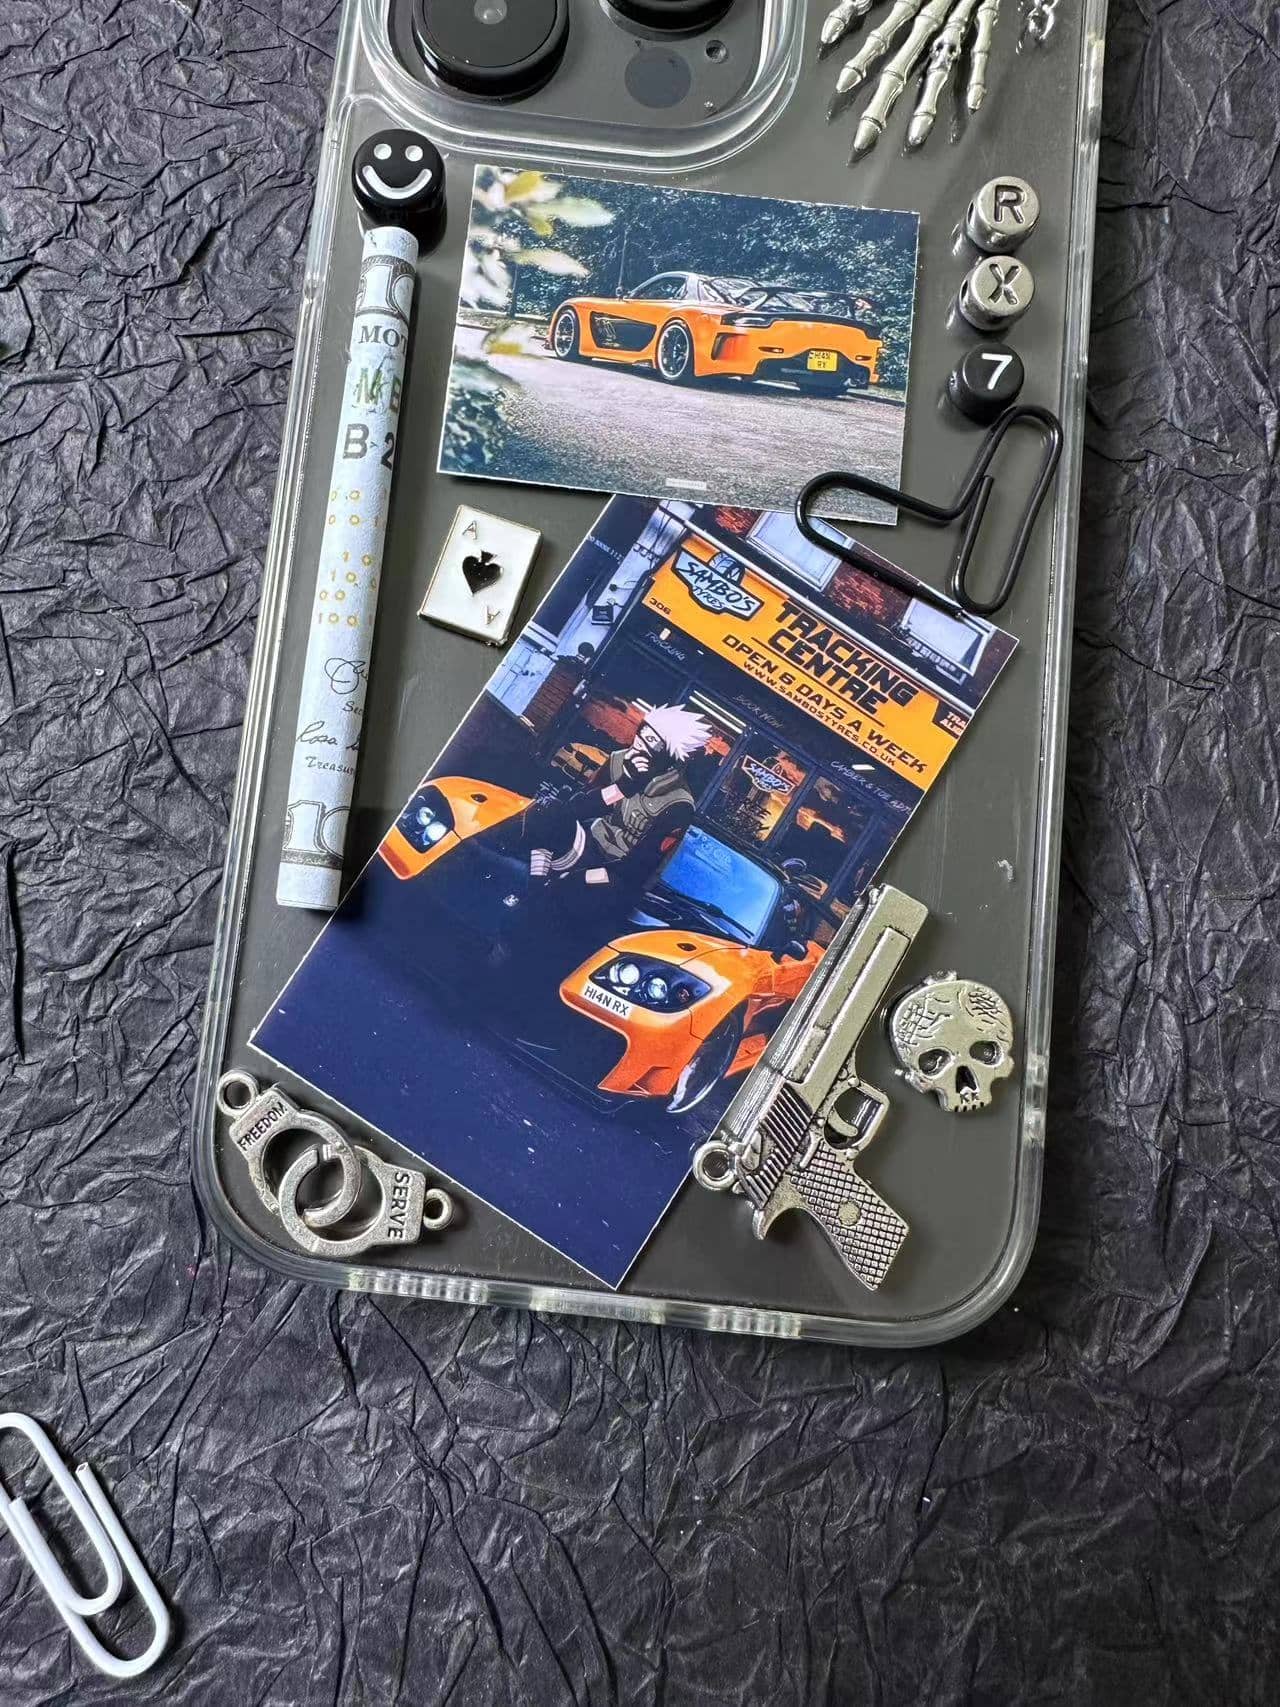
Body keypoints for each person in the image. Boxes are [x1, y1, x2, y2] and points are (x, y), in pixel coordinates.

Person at [525, 703, 713, 893]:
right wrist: (621, 787)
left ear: (671, 754)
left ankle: (546, 889)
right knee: (546, 811)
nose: (639, 743)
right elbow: (576, 809)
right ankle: (535, 886)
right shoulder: (618, 761)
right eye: (642, 732)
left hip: (612, 874)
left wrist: (575, 878)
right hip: (585, 842)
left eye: (651, 740)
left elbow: (638, 867)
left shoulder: (679, 804)